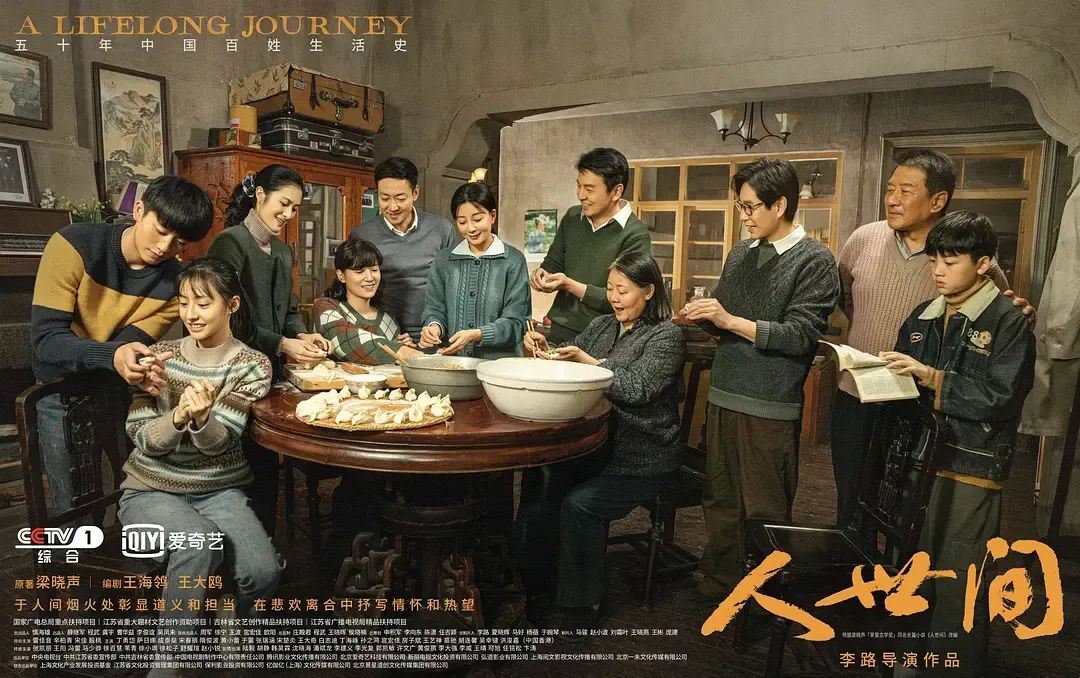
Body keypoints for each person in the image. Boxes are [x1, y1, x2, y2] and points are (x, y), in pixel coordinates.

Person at [832, 149, 1030, 529]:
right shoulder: (862, 239)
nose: (892, 199)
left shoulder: (966, 254)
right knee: (850, 500)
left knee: (906, 507)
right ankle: (852, 564)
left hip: (918, 403)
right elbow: (844, 299)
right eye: (890, 189)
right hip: (855, 395)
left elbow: (995, 311)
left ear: (938, 200)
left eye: (906, 191)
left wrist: (1023, 312)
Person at [679, 159, 839, 624]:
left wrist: (729, 320)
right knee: (721, 498)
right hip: (725, 392)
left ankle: (766, 598)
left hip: (769, 404)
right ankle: (719, 582)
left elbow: (800, 336)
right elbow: (727, 322)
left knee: (765, 508)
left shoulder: (815, 260)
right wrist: (705, 317)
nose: (744, 216)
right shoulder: (740, 253)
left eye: (750, 207)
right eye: (740, 206)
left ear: (781, 204)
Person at [882, 211, 1035, 678]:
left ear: (984, 263)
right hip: (919, 457)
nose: (939, 271)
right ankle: (910, 657)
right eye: (934, 261)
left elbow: (1002, 397)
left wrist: (931, 377)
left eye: (951, 261)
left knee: (962, 574)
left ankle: (954, 668)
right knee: (913, 565)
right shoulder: (922, 315)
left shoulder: (1008, 321)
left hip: (972, 464)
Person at [117, 257, 281, 676]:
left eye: (203, 303)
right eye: (184, 302)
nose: (191, 313)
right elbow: (142, 439)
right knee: (198, 541)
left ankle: (233, 630)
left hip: (219, 489)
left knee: (263, 573)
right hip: (150, 491)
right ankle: (166, 669)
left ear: (232, 305)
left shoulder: (252, 365)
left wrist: (204, 419)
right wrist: (176, 418)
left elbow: (220, 445)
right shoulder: (159, 357)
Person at [516, 251, 685, 632]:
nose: (614, 298)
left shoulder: (666, 335)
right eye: (609, 289)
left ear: (648, 291)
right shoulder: (603, 325)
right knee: (541, 480)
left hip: (642, 455)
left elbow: (638, 388)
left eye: (623, 290)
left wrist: (590, 364)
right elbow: (568, 355)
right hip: (595, 447)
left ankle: (580, 606)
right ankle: (536, 586)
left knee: (582, 505)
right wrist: (542, 347)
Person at [30, 174, 213, 515]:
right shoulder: (72, 245)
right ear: (139, 210)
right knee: (72, 505)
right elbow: (47, 341)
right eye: (161, 230)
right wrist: (115, 355)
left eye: (179, 243)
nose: (165, 247)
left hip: (114, 388)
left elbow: (129, 346)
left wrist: (138, 364)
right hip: (58, 389)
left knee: (131, 492)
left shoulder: (175, 285)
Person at [207, 163, 331, 533]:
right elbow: (227, 319)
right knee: (239, 469)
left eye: (295, 208)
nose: (289, 214)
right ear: (260, 195)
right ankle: (240, 547)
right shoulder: (230, 243)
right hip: (231, 375)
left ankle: (263, 546)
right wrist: (282, 343)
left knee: (263, 468)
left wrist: (302, 336)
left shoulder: (281, 250)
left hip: (269, 375)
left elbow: (289, 309)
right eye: (283, 204)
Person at [529, 148, 652, 344]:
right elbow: (553, 263)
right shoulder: (572, 217)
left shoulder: (635, 234)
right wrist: (542, 274)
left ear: (616, 191)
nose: (581, 195)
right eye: (578, 186)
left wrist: (568, 284)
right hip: (560, 329)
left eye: (589, 189)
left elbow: (626, 298)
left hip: (605, 336)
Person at [348, 157, 457, 341]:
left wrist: (437, 327)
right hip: (385, 336)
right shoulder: (363, 235)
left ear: (415, 193)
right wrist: (383, 335)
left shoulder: (441, 230)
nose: (392, 207)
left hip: (436, 333)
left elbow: (454, 286)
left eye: (400, 198)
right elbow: (354, 293)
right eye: (385, 198)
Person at [419, 182, 530, 358]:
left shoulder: (513, 261)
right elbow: (434, 308)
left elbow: (517, 322)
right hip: (455, 363)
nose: (470, 228)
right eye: (462, 222)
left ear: (492, 216)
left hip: (499, 366)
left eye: (477, 219)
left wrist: (479, 334)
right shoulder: (444, 260)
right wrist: (433, 327)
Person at [313, 238, 422, 365]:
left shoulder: (387, 319)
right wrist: (401, 351)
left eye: (374, 270)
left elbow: (393, 361)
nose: (370, 278)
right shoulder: (325, 307)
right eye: (359, 272)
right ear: (341, 276)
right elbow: (346, 341)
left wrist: (405, 346)